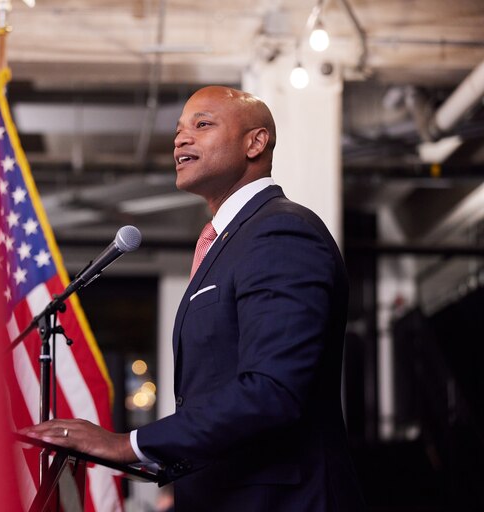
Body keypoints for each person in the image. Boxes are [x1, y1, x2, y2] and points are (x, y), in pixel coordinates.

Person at [21, 86, 364, 511]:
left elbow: (271, 390)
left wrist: (130, 444)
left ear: (255, 142)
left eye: (202, 125)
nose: (181, 139)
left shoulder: (280, 233)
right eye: (179, 130)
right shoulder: (229, 240)